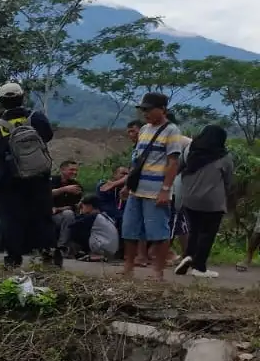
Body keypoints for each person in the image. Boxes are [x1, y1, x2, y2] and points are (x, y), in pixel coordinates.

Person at [0, 82, 55, 269]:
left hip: (9, 182)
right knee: (42, 217)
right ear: (23, 97)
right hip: (38, 178)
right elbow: (48, 136)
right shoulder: (36, 118)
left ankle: (14, 258)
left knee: (11, 219)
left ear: (2, 102)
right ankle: (49, 254)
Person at [121, 91, 184, 282]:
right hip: (137, 188)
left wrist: (165, 190)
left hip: (156, 190)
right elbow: (136, 160)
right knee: (130, 230)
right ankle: (128, 268)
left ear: (162, 109)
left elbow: (173, 163)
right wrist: (127, 185)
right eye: (143, 110)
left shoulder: (172, 131)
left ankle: (158, 272)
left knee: (158, 233)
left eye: (148, 109)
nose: (145, 113)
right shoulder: (144, 130)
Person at [173, 125, 234, 278]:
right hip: (213, 202)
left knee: (194, 230)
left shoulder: (189, 151)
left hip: (190, 199)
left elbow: (177, 168)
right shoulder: (224, 157)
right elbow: (228, 180)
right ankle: (199, 267)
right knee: (207, 234)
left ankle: (188, 255)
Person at [50, 159, 85, 267]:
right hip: (46, 215)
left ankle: (61, 248)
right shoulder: (52, 181)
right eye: (71, 170)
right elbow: (43, 195)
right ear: (62, 170)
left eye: (76, 170)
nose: (74, 172)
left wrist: (59, 209)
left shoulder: (76, 186)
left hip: (62, 216)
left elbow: (73, 207)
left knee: (69, 214)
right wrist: (64, 189)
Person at [64, 194, 120, 261]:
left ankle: (92, 253)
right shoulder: (104, 215)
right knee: (85, 230)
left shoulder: (92, 217)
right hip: (111, 248)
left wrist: (80, 212)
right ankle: (92, 253)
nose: (81, 208)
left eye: (82, 206)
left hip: (104, 248)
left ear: (89, 206)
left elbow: (71, 225)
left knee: (75, 231)